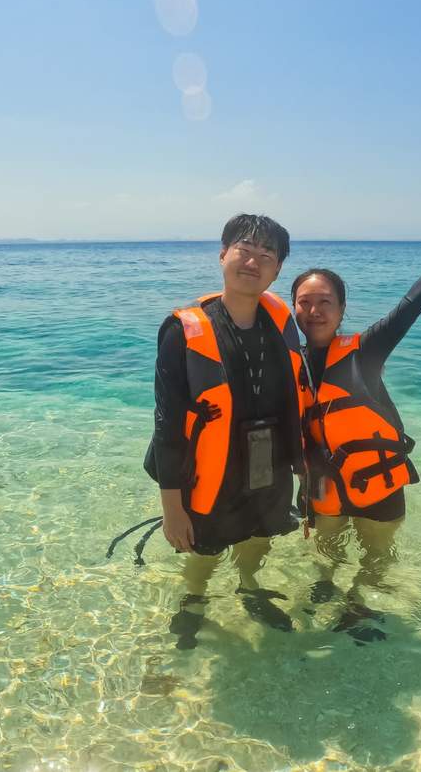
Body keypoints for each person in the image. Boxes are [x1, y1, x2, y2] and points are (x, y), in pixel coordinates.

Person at [291, 204, 421, 642]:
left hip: (376, 482)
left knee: (376, 557)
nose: (314, 310)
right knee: (326, 553)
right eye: (304, 303)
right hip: (324, 486)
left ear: (343, 309)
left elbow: (414, 300)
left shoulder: (367, 350)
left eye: (325, 301)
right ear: (293, 310)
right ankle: (326, 586)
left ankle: (359, 601)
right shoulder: (287, 363)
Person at [145, 214, 310, 648]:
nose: (253, 262)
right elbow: (166, 425)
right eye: (244, 250)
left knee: (259, 538)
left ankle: (249, 587)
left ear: (277, 271)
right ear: (223, 254)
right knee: (203, 550)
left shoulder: (280, 323)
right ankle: (193, 601)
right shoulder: (183, 332)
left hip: (268, 464)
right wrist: (172, 509)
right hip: (210, 469)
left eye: (266, 256)